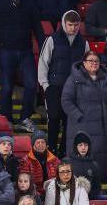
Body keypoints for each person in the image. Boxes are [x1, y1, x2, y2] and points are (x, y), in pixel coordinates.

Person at [38, 10, 90, 154]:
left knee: (70, 122)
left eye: (76, 25)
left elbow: (87, 66)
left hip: (74, 89)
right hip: (54, 87)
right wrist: (45, 85)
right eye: (70, 25)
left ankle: (64, 152)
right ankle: (52, 150)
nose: (73, 28)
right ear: (63, 24)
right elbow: (43, 62)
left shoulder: (84, 43)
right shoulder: (52, 39)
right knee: (53, 120)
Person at [62, 52, 107, 182]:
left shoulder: (106, 79)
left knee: (103, 160)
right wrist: (79, 116)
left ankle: (102, 188)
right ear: (84, 63)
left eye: (96, 61)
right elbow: (66, 101)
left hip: (105, 128)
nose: (94, 63)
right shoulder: (74, 79)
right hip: (82, 127)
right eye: (91, 60)